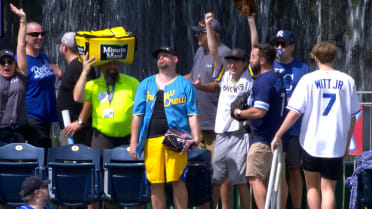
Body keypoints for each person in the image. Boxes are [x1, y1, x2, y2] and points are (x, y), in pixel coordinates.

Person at [271, 41, 361, 209]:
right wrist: (347, 145)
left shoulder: (308, 80)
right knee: (328, 190)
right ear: (334, 58)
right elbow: (352, 117)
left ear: (315, 58)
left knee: (312, 187)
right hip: (335, 144)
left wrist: (278, 134)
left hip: (311, 143)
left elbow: (294, 112)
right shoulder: (347, 80)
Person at [129, 46, 200, 209]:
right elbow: (137, 115)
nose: (161, 58)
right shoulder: (145, 84)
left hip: (177, 138)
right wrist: (134, 143)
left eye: (165, 55)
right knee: (156, 182)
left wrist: (196, 137)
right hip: (152, 139)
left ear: (175, 59)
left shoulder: (185, 84)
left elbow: (193, 114)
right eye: (159, 56)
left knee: (178, 180)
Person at [205, 12, 257, 209]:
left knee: (241, 181)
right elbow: (213, 50)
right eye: (230, 61)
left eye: (236, 61)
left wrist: (251, 22)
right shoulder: (224, 75)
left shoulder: (249, 77)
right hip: (220, 135)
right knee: (216, 179)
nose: (232, 64)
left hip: (239, 134)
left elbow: (255, 49)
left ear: (245, 63)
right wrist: (208, 26)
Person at [231, 43, 287, 209]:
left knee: (254, 177)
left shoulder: (264, 81)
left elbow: (260, 111)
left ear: (262, 60)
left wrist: (239, 114)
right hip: (277, 138)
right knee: (276, 180)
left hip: (263, 140)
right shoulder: (277, 77)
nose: (250, 61)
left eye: (253, 57)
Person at [185, 15, 232, 209]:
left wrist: (201, 87)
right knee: (201, 172)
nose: (197, 36)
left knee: (220, 173)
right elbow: (192, 75)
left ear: (214, 34)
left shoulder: (224, 53)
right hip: (198, 124)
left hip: (215, 125)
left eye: (201, 33)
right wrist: (173, 80)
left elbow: (223, 84)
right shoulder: (199, 51)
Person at [272, 29, 310, 209]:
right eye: (277, 44)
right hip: (273, 127)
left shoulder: (303, 69)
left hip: (295, 128)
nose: (279, 47)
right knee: (275, 171)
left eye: (283, 44)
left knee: (294, 169)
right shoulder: (269, 65)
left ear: (292, 46)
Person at [16, 20, 62, 150]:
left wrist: (59, 72)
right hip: (32, 118)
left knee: (46, 158)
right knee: (38, 160)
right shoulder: (21, 60)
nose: (40, 37)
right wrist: (22, 20)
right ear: (26, 37)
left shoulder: (43, 57)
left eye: (42, 34)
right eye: (35, 34)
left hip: (46, 118)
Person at [56, 32, 96, 147]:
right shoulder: (77, 66)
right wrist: (63, 76)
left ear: (64, 47)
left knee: (74, 164)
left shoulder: (80, 66)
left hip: (77, 131)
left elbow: (91, 95)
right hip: (71, 129)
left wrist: (80, 122)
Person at [0, 4, 28, 146]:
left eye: (10, 62)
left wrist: (23, 20)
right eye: (2, 62)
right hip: (1, 131)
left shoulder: (20, 77)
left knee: (20, 166)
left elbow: (21, 45)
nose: (6, 65)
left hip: (19, 130)